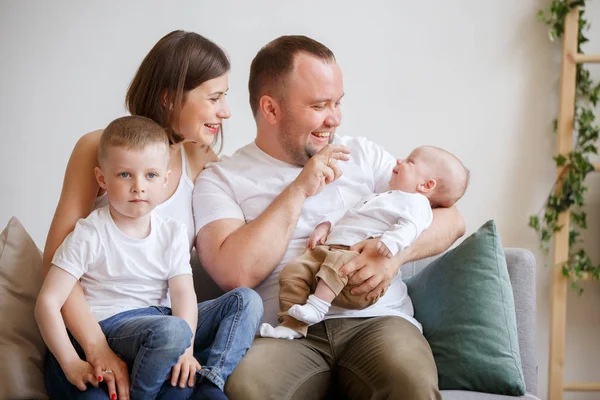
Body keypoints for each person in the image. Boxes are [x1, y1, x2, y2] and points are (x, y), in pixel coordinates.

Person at [194, 35, 465, 399]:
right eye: (320, 105)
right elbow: (235, 274)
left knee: (410, 383)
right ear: (271, 109)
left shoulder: (364, 155)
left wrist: (395, 257)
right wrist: (298, 189)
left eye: (337, 103)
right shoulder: (223, 178)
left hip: (377, 321)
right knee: (246, 388)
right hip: (288, 329)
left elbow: (452, 219)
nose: (334, 118)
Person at [41, 31, 262, 400]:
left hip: (161, 328)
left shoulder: (200, 160)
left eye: (225, 97)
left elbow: (230, 252)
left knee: (240, 302)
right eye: (215, 97)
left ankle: (208, 383)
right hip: (96, 329)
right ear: (169, 97)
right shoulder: (100, 148)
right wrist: (98, 350)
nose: (225, 111)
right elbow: (56, 265)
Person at [260, 146, 469, 339]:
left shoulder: (416, 204)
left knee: (338, 265)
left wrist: (392, 244)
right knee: (292, 272)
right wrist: (325, 226)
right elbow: (350, 214)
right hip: (328, 252)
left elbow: (412, 226)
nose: (398, 161)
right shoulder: (381, 196)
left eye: (409, 161)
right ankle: (291, 325)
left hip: (355, 265)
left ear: (426, 185)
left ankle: (317, 306)